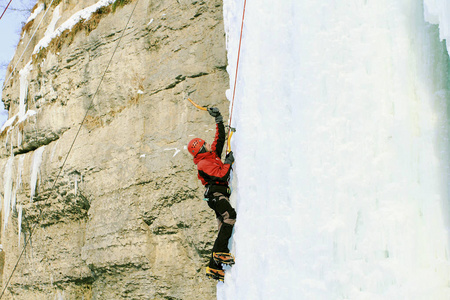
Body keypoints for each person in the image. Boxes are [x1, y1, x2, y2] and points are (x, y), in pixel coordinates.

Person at [187, 107, 236, 281]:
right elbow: (222, 173)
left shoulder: (209, 156)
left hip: (217, 195)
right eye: (204, 144)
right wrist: (229, 162)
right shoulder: (203, 164)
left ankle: (214, 267)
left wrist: (218, 119)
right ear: (200, 149)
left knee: (223, 226)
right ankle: (220, 253)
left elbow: (219, 140)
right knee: (230, 216)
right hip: (216, 196)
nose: (208, 144)